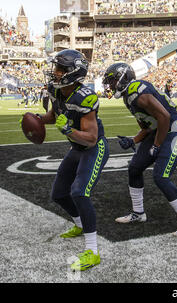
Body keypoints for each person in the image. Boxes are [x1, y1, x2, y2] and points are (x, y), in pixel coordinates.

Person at [102, 62, 177, 236]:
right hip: (159, 130)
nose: (110, 86)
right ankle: (138, 213)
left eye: (112, 81)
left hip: (174, 129)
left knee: (161, 176)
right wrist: (133, 141)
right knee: (135, 168)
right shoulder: (128, 96)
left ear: (123, 78)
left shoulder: (137, 90)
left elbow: (164, 117)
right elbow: (148, 127)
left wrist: (156, 145)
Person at [36, 49, 109, 271]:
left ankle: (93, 251)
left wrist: (68, 129)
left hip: (93, 147)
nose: (55, 73)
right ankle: (79, 225)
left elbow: (91, 137)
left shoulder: (85, 97)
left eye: (59, 69)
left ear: (72, 72)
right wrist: (37, 119)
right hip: (76, 147)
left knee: (79, 192)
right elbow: (54, 115)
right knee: (59, 194)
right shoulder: (55, 90)